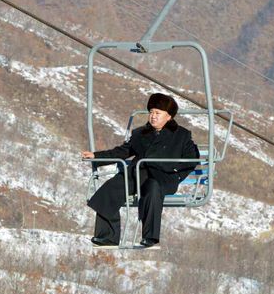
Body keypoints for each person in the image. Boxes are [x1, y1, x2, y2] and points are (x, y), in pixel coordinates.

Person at [82, 93, 199, 248]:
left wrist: (177, 174)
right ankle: (108, 236)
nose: (153, 116)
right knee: (109, 189)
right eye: (151, 112)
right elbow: (122, 152)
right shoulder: (140, 133)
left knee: (153, 188)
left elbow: (192, 159)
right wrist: (97, 156)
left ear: (168, 117)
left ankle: (150, 237)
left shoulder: (181, 135)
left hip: (163, 177)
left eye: (158, 113)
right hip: (137, 174)